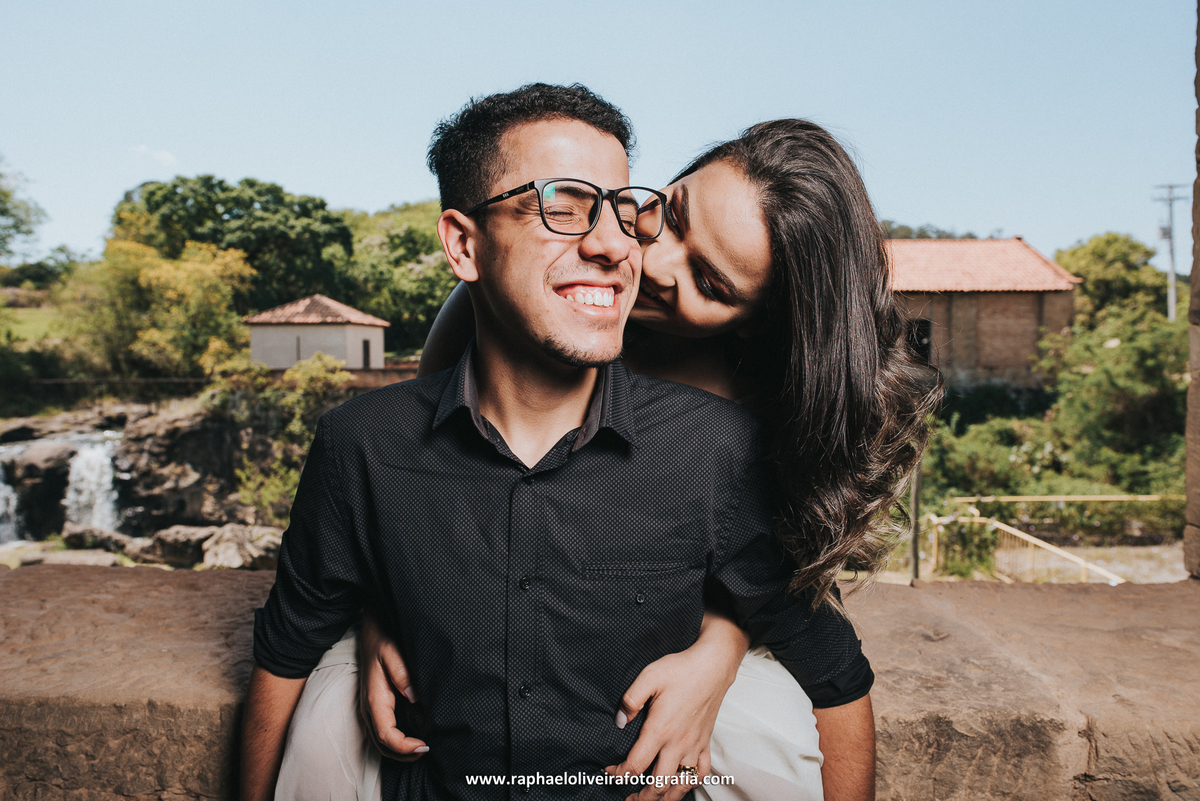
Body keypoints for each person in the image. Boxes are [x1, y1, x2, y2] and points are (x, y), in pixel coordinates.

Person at [243, 84, 918, 801]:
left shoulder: (736, 419)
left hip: (676, 634)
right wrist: (387, 613)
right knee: (321, 735)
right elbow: (426, 491)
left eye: (709, 281)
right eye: (672, 216)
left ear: (753, 322)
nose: (651, 262)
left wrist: (716, 652)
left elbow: (784, 591)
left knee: (773, 744)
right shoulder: (506, 297)